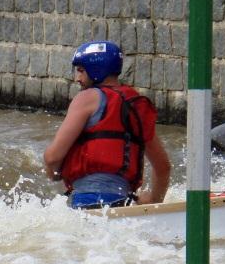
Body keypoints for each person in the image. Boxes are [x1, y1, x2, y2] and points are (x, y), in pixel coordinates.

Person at [44, 40, 170, 209]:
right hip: (122, 201)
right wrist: (154, 200)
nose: (77, 78)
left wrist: (53, 174)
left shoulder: (86, 98)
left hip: (86, 201)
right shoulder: (135, 104)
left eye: (81, 71)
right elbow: (163, 168)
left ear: (96, 70)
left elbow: (52, 157)